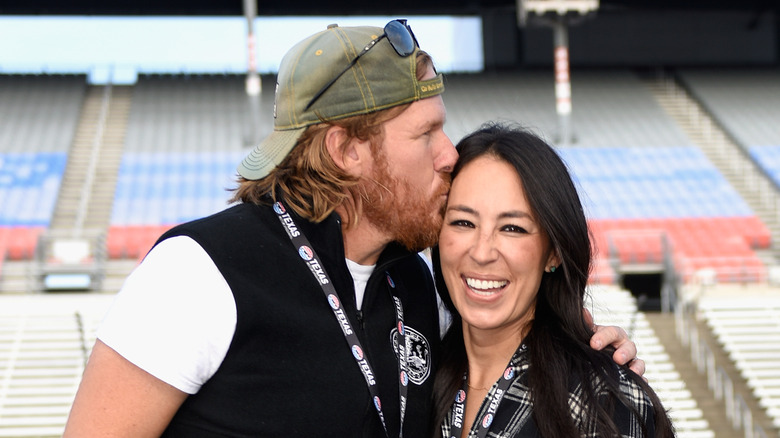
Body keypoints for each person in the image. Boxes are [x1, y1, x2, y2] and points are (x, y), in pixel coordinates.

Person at [65, 21, 643, 437]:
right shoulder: (198, 273)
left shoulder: (416, 285)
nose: (450, 154)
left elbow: (514, 341)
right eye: (426, 134)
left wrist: (591, 355)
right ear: (346, 150)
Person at [432, 123, 675, 437]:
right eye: (463, 222)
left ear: (553, 253)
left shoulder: (601, 404)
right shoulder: (417, 375)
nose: (481, 252)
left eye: (512, 228)